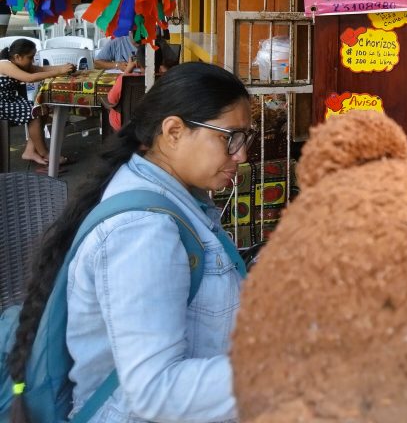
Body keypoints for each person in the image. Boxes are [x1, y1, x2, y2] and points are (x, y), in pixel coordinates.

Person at [6, 62, 255, 422]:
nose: (241, 155)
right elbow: (157, 391)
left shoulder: (169, 196)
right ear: (173, 131)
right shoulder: (143, 231)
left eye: (245, 138)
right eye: (230, 137)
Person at [0, 38, 76, 167]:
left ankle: (30, 151)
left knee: (42, 107)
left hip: (9, 101)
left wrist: (64, 68)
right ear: (17, 56)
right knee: (34, 111)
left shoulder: (17, 63)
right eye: (30, 57)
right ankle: (45, 154)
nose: (32, 61)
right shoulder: (4, 64)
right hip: (2, 104)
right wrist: (58, 71)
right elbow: (29, 78)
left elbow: (40, 69)